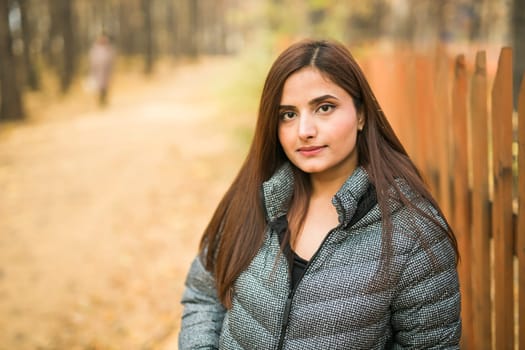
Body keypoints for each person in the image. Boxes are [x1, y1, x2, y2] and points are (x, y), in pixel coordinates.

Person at [179, 39, 461, 349]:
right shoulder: (256, 198)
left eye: (324, 108)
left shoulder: (413, 235)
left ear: (362, 114)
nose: (304, 130)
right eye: (288, 114)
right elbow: (202, 294)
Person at [89, 33, 115, 107]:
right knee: (99, 87)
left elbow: (111, 60)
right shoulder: (95, 49)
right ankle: (100, 101)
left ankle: (104, 100)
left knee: (105, 87)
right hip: (98, 71)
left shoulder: (108, 48)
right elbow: (92, 60)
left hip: (106, 71)